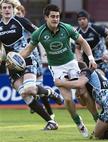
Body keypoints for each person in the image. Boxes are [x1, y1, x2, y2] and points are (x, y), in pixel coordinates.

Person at [20, 4, 97, 138]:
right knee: (67, 100)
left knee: (83, 95)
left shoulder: (66, 28)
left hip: (71, 64)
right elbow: (27, 50)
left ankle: (97, 119)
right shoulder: (39, 33)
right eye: (52, 16)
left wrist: (91, 58)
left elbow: (83, 42)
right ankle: (78, 122)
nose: (56, 19)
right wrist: (16, 59)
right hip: (56, 68)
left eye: (57, 16)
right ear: (46, 18)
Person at [0, 0, 62, 130]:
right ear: (0, 10)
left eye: (9, 7)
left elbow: (40, 33)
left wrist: (50, 49)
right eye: (4, 8)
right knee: (24, 94)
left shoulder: (21, 21)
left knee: (30, 89)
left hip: (27, 59)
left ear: (13, 9)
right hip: (12, 65)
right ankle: (51, 122)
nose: (6, 10)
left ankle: (51, 92)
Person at [15, 4, 56, 120]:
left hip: (33, 59)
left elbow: (40, 34)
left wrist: (47, 49)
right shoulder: (13, 27)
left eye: (19, 14)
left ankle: (50, 114)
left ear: (23, 14)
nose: (17, 16)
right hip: (18, 61)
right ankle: (37, 103)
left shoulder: (25, 24)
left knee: (37, 88)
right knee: (28, 89)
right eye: (16, 14)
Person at [75, 10, 108, 77]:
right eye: (79, 19)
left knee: (98, 77)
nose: (82, 21)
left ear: (88, 19)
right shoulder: (77, 32)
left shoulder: (97, 28)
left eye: (84, 19)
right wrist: (79, 59)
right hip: (88, 62)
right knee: (85, 82)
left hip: (102, 61)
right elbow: (77, 48)